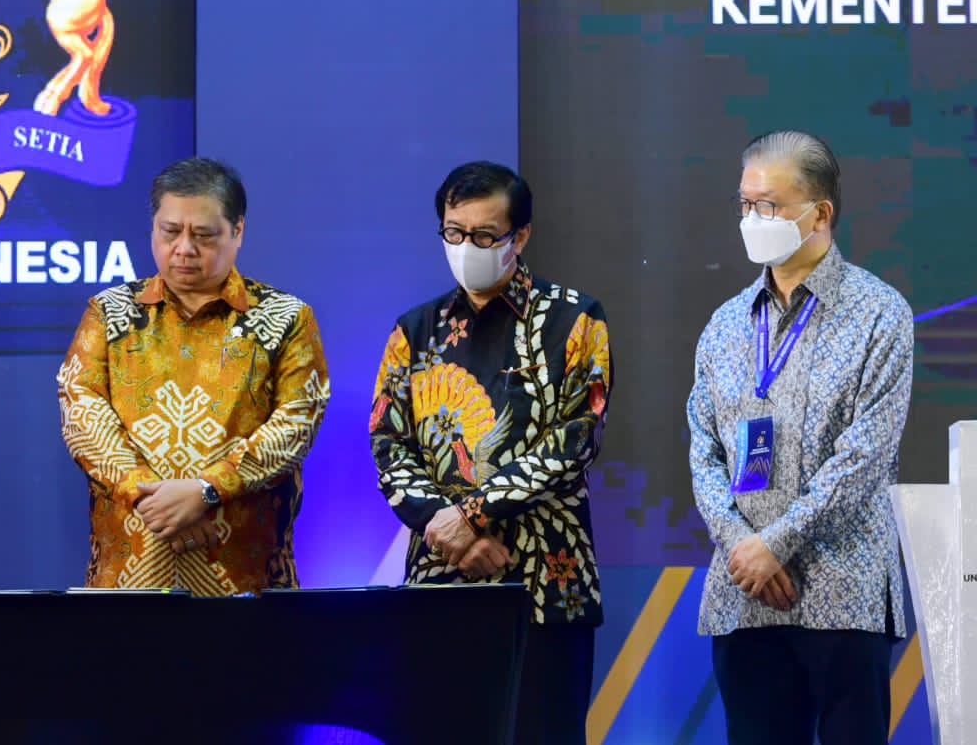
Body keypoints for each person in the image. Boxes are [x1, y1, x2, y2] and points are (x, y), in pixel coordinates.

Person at [369, 161, 611, 745]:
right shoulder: (416, 330)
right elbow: (387, 442)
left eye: (484, 236)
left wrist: (472, 514)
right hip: (439, 583)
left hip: (548, 584)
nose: (466, 247)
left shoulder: (576, 319)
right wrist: (446, 527)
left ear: (519, 236)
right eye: (454, 232)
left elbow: (577, 440)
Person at [688, 131, 912, 744]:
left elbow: (865, 454)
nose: (752, 219)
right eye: (744, 204)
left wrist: (777, 544)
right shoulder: (727, 323)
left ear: (820, 214)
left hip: (843, 591)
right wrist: (743, 546)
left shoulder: (878, 314)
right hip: (744, 594)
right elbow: (702, 448)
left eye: (769, 206)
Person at [57, 156, 330, 594]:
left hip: (245, 578)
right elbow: (82, 416)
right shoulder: (110, 311)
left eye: (203, 235)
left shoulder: (285, 318)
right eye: (170, 232)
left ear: (238, 231)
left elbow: (295, 426)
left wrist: (206, 490)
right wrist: (156, 503)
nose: (183, 248)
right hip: (130, 577)